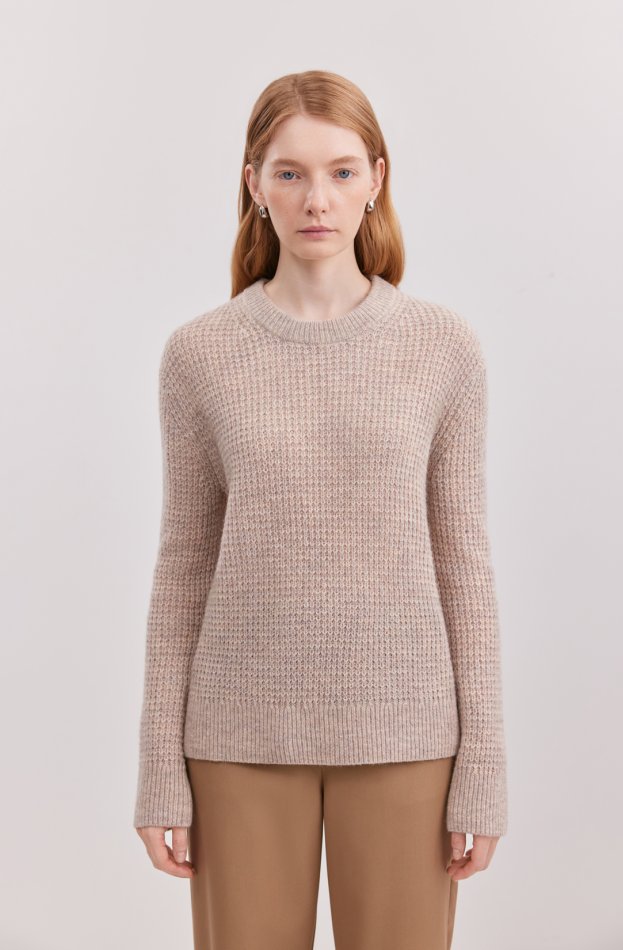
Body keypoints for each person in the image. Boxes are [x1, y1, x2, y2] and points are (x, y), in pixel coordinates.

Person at [133, 69, 508, 950]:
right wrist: (157, 770)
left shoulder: (442, 348)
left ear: (376, 178)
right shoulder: (200, 354)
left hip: (407, 731)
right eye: (290, 172)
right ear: (254, 184)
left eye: (340, 171)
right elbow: (182, 566)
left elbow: (464, 565)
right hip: (236, 735)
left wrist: (483, 768)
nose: (317, 199)